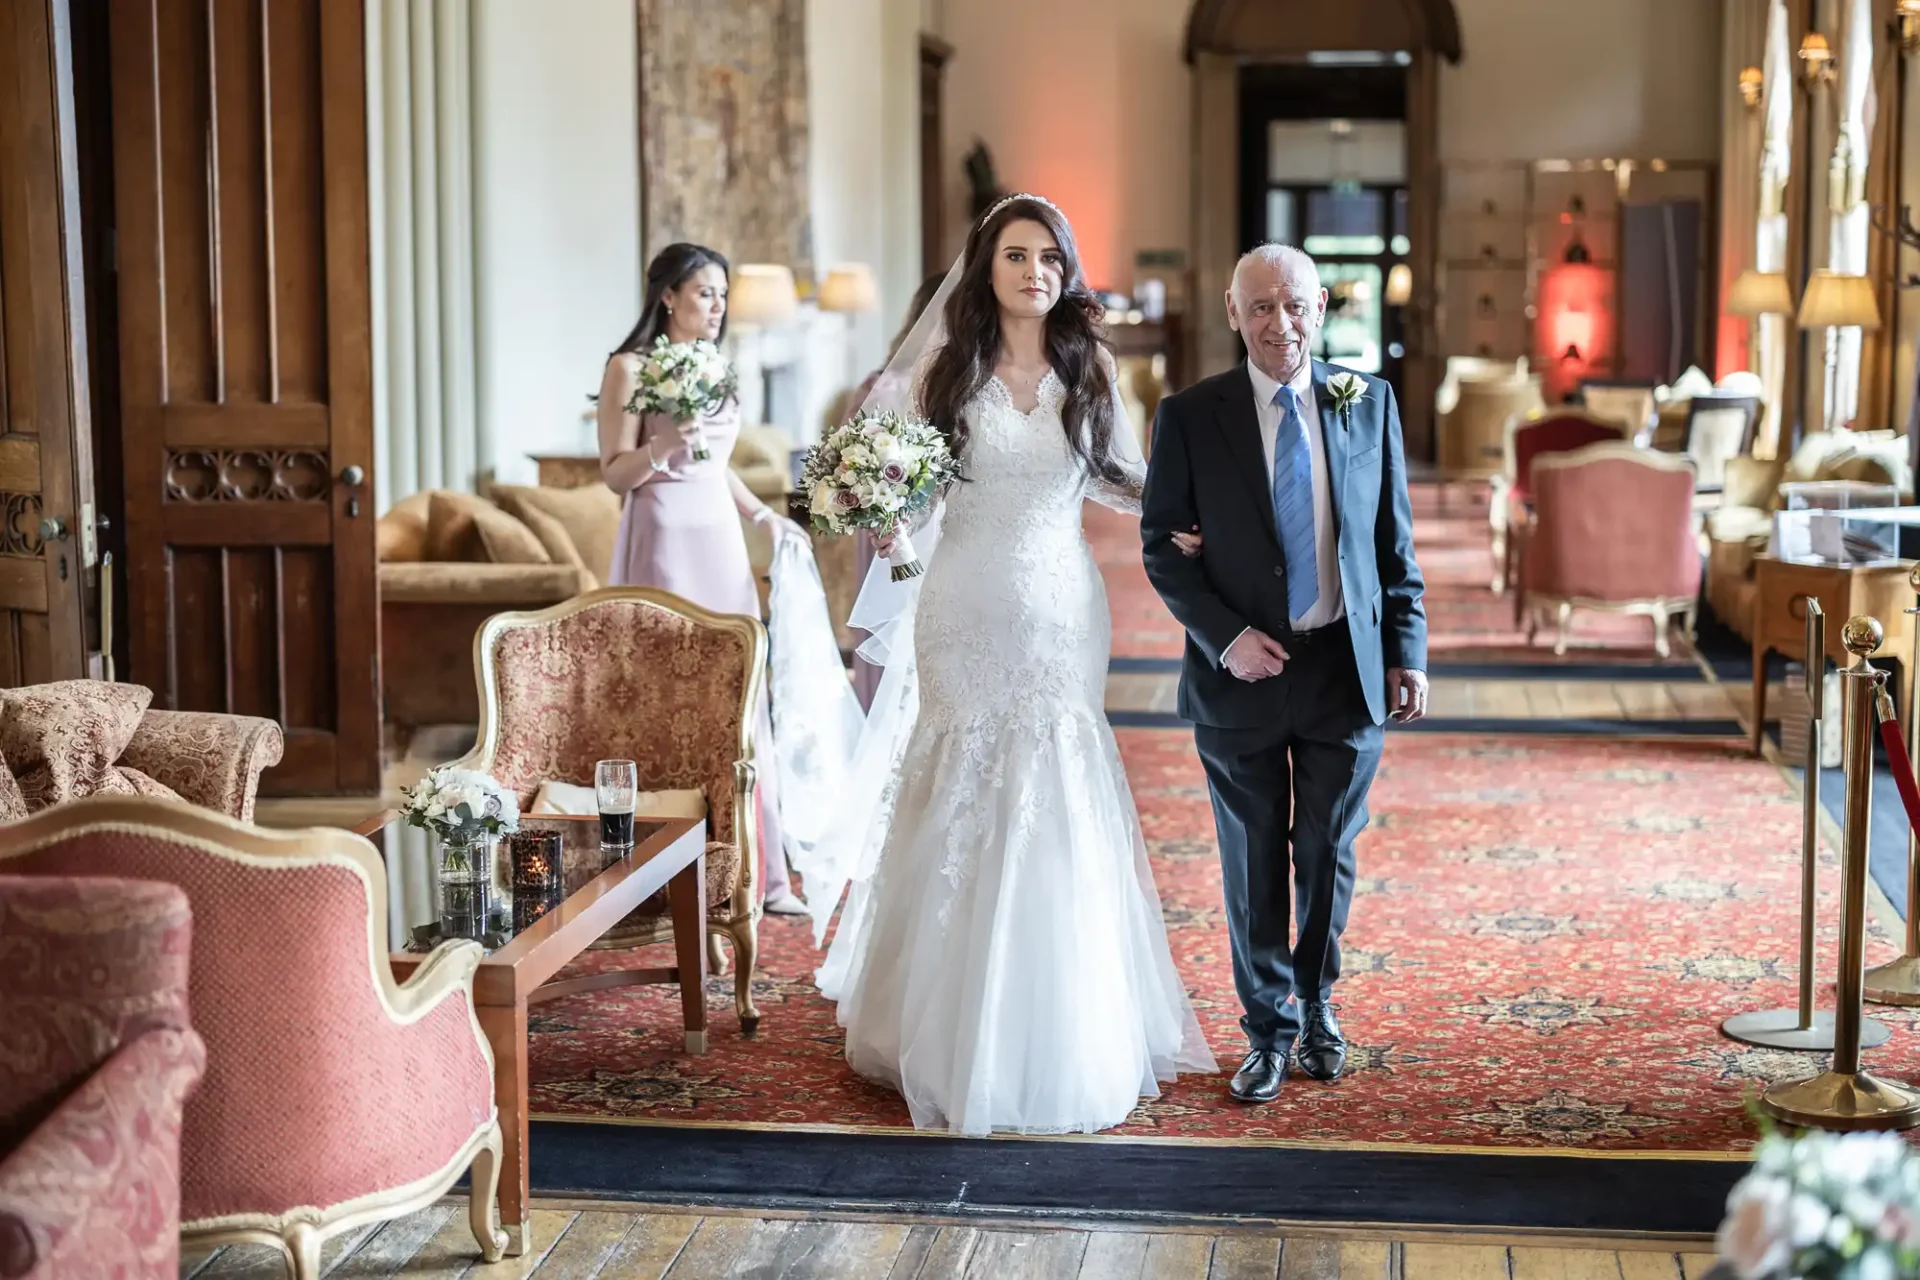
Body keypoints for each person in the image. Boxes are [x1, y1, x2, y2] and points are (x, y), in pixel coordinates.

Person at [814, 194, 1215, 1136]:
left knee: (1056, 773)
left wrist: (1185, 517)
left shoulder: (1091, 367)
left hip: (1061, 610)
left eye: (1048, 258)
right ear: (985, 269)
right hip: (961, 606)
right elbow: (892, 487)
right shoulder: (945, 376)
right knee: (959, 774)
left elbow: (1118, 477)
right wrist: (895, 541)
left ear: (1066, 272)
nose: (1034, 271)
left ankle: (1058, 1019)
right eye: (1015, 256)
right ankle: (939, 1018)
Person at [1140, 244, 1427, 1104]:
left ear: (1323, 309)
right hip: (1242, 680)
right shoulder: (1191, 416)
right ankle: (1264, 1027)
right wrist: (1226, 636)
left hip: (1346, 668)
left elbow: (1392, 543)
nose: (1280, 323)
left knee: (1328, 849)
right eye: (1260, 307)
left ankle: (1317, 1002)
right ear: (1234, 315)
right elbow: (1162, 545)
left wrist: (1406, 649)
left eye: (1295, 305)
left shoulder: (1366, 401)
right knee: (1255, 857)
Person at [598, 242, 812, 915]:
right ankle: (654, 876)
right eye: (703, 294)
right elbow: (613, 473)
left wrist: (764, 517)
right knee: (666, 700)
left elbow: (716, 465)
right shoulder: (628, 367)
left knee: (741, 699)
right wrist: (658, 449)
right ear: (668, 296)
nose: (716, 308)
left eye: (722, 295)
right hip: (661, 538)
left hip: (719, 541)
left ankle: (760, 872)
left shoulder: (721, 364)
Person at [840, 272, 947, 710]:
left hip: (949, 532)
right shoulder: (880, 386)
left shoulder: (969, 383)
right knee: (893, 650)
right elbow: (844, 465)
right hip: (890, 532)